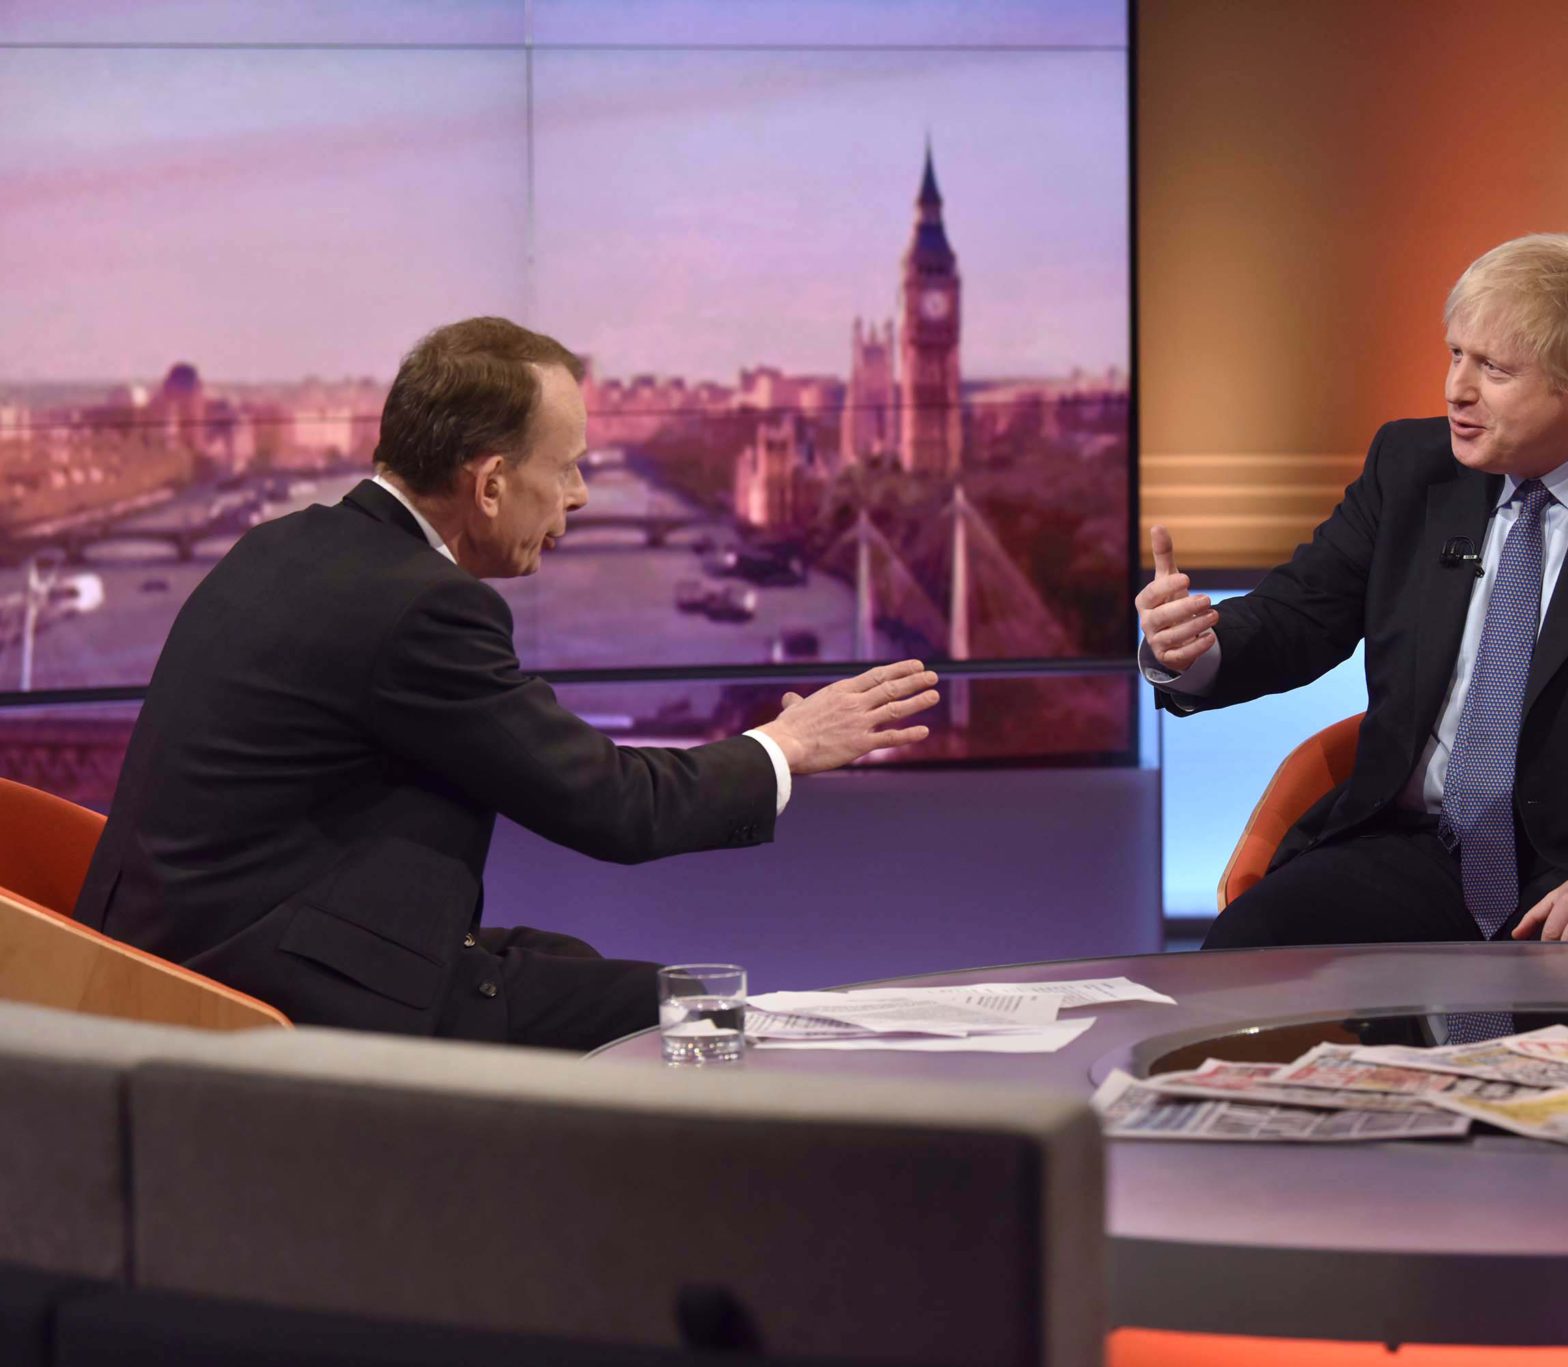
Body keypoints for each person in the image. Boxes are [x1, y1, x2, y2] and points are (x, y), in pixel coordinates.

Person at [74, 317, 940, 1049]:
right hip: (266, 996)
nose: (582, 496)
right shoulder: (422, 606)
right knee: (692, 1016)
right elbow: (613, 804)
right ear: (490, 484)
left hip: (187, 951)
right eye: (566, 468)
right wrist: (787, 747)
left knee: (571, 962)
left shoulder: (285, 544)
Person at [1137, 234, 1568, 948]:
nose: (1456, 388)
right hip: (1418, 846)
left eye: (1494, 368)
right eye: (1455, 353)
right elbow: (1302, 612)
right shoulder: (1411, 466)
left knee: (1566, 1000)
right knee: (1246, 952)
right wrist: (1195, 650)